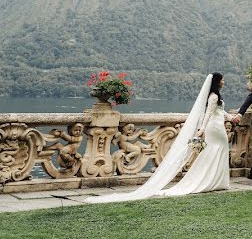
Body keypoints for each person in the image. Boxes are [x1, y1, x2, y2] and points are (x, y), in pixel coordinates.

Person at [86, 73, 241, 203]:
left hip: (217, 124)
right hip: (215, 128)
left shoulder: (215, 96)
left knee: (217, 152)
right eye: (222, 79)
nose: (224, 81)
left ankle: (217, 180)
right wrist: (201, 129)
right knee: (216, 151)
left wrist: (231, 117)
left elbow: (220, 112)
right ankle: (212, 180)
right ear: (217, 82)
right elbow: (208, 114)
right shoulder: (213, 96)